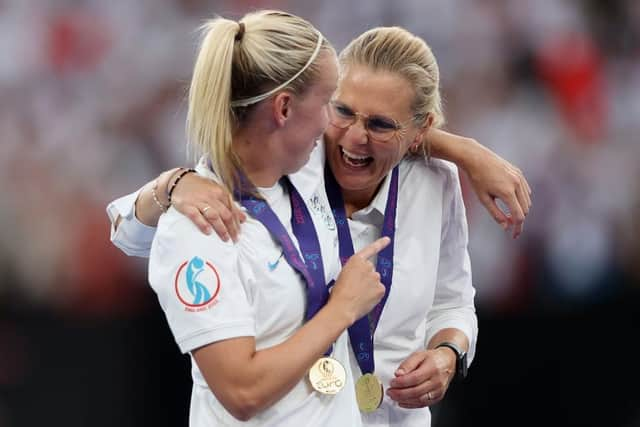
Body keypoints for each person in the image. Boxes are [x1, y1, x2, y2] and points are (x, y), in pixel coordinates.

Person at [108, 25, 532, 427]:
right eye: (340, 109)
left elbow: (454, 300)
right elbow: (133, 231)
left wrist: (448, 353)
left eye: (381, 125)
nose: (352, 137)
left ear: (418, 131)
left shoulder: (434, 181)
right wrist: (172, 184)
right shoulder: (294, 167)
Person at [134, 10, 399, 426]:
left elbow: (393, 131)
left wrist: (472, 156)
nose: (335, 121)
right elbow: (242, 391)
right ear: (284, 108)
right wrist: (342, 310)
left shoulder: (304, 171)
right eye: (328, 101)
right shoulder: (201, 227)